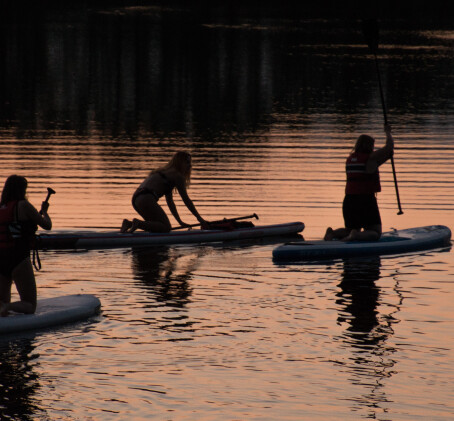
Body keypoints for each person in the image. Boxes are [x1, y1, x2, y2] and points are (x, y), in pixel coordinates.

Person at [324, 124, 394, 241]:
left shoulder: (350, 159)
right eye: (372, 145)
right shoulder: (369, 157)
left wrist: (386, 158)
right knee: (375, 232)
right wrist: (388, 132)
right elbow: (389, 146)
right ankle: (356, 235)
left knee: (350, 228)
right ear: (368, 146)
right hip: (365, 200)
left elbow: (369, 169)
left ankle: (332, 233)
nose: (373, 148)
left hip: (350, 200)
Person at [0, 175, 52, 316]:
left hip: (1, 258)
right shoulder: (23, 205)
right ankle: (7, 307)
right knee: (29, 305)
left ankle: (4, 308)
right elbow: (47, 225)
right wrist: (45, 212)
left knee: (1, 303)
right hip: (18, 258)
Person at [121, 151, 208, 233]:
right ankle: (138, 223)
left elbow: (170, 202)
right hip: (147, 198)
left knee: (154, 225)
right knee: (166, 227)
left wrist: (180, 221)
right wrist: (200, 219)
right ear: (180, 163)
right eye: (187, 162)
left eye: (190, 162)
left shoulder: (164, 172)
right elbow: (186, 200)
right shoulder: (178, 176)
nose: (190, 165)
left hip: (136, 199)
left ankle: (129, 224)